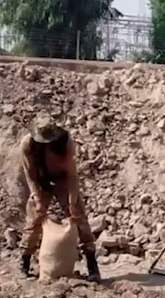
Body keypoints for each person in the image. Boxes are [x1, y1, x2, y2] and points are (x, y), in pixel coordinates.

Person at [17, 116, 100, 282]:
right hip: (41, 181)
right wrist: (37, 197)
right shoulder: (28, 144)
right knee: (34, 219)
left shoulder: (65, 142)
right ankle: (24, 262)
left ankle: (92, 264)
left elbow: (72, 175)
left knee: (78, 217)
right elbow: (30, 174)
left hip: (63, 180)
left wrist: (72, 201)